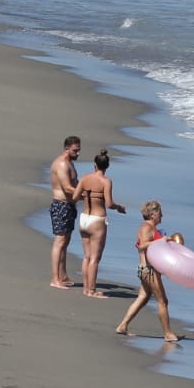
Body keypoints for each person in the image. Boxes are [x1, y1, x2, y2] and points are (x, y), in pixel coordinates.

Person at [113, 200, 181, 341]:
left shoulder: (152, 228)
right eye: (160, 213)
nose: (162, 215)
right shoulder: (146, 227)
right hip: (147, 269)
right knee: (163, 301)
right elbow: (142, 246)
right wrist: (161, 241)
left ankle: (122, 326)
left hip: (146, 269)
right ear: (152, 214)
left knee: (143, 298)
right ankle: (168, 333)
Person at [73, 148, 123, 298]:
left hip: (84, 218)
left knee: (86, 256)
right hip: (97, 219)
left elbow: (75, 196)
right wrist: (119, 207)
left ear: (94, 165)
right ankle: (92, 290)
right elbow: (109, 203)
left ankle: (86, 288)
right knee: (95, 257)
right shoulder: (106, 182)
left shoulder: (85, 178)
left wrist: (89, 196)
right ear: (107, 166)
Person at [48, 134, 82, 289]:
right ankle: (55, 279)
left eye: (79, 150)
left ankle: (63, 275)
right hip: (61, 205)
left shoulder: (70, 163)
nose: (78, 153)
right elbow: (67, 187)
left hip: (69, 206)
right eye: (75, 150)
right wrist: (86, 195)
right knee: (60, 241)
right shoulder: (61, 164)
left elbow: (75, 184)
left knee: (65, 241)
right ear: (67, 148)